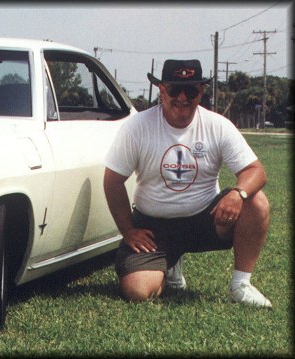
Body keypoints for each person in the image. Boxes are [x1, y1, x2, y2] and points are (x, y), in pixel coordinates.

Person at [103, 59, 271, 307]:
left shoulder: (218, 125)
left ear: (201, 92)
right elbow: (113, 182)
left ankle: (241, 285)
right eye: (174, 89)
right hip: (154, 227)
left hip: (204, 219)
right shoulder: (137, 127)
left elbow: (256, 171)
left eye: (191, 90)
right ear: (161, 90)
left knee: (255, 200)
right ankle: (168, 264)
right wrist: (128, 230)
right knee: (137, 291)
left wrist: (238, 193)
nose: (182, 97)